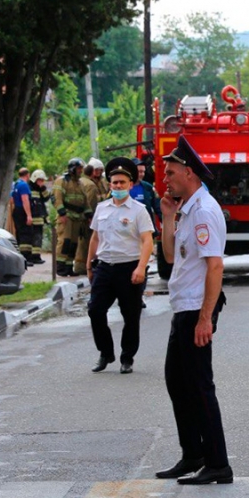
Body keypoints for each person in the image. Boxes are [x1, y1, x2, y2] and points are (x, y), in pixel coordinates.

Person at [155, 136, 232, 485]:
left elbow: (215, 266)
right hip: (183, 307)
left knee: (200, 386)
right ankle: (193, 454)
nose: (165, 179)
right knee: (177, 381)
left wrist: (205, 318)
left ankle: (218, 463)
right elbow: (172, 256)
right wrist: (168, 217)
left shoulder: (203, 211)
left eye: (170, 173)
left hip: (196, 309)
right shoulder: (187, 208)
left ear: (189, 173)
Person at [86, 158, 154, 374]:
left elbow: (147, 241)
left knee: (131, 316)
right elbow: (95, 238)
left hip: (129, 268)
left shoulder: (139, 210)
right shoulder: (101, 209)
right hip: (105, 267)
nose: (118, 186)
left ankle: (127, 358)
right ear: (110, 184)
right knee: (95, 310)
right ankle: (105, 353)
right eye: (115, 182)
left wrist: (141, 267)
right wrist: (89, 265)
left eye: (122, 182)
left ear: (130, 185)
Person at [53, 158, 92, 276]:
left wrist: (89, 215)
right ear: (72, 168)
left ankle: (69, 267)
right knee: (65, 241)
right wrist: (62, 213)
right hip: (66, 216)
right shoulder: (62, 181)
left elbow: (85, 201)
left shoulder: (80, 183)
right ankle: (60, 267)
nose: (81, 171)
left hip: (77, 217)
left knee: (73, 243)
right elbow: (57, 198)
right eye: (79, 168)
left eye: (81, 168)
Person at [74, 164, 102, 275]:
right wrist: (91, 217)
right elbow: (90, 203)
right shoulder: (91, 185)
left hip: (78, 216)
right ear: (93, 172)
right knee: (86, 243)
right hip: (87, 218)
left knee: (80, 242)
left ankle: (78, 266)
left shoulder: (80, 181)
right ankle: (82, 267)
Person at [11, 167, 36, 264]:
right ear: (27, 175)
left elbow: (12, 199)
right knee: (26, 234)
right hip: (22, 211)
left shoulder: (16, 184)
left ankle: (20, 257)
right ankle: (26, 258)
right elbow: (25, 200)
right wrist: (29, 215)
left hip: (16, 211)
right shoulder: (24, 185)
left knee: (19, 234)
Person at [27, 170, 51, 265]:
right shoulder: (29, 188)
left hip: (39, 218)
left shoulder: (41, 189)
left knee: (38, 238)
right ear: (34, 179)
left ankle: (36, 257)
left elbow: (46, 198)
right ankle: (30, 257)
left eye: (42, 180)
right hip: (31, 218)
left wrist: (43, 188)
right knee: (31, 238)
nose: (41, 182)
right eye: (39, 180)